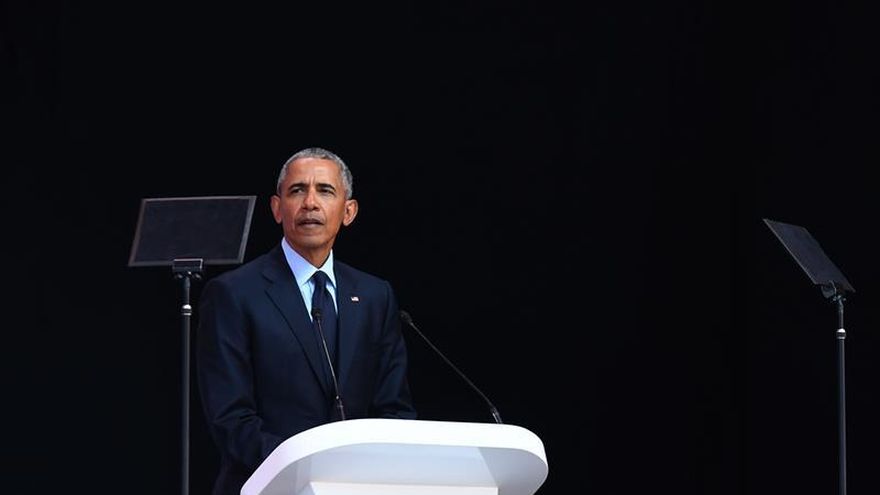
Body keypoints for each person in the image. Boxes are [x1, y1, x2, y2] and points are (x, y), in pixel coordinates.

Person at [196, 147, 417, 495]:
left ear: (348, 211)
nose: (310, 203)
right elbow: (231, 420)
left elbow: (394, 411)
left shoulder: (375, 296)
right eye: (297, 190)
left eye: (325, 191)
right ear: (276, 208)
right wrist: (310, 473)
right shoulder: (233, 294)